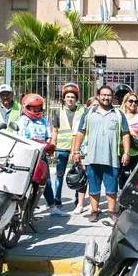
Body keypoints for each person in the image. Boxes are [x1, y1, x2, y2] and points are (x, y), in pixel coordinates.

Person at [71, 85, 131, 226]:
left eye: (109, 95)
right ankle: (94, 211)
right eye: (103, 95)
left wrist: (126, 152)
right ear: (98, 96)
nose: (106, 97)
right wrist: (76, 151)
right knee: (93, 186)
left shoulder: (118, 114)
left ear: (112, 97)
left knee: (112, 187)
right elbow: (80, 132)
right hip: (92, 157)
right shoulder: (89, 112)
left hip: (112, 158)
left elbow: (125, 134)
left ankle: (111, 212)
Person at [17, 94, 62, 217]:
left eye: (38, 108)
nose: (36, 110)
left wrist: (49, 146)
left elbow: (49, 137)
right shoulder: (23, 121)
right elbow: (21, 137)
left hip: (41, 156)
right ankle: (22, 207)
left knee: (46, 181)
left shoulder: (43, 121)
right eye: (33, 108)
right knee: (24, 181)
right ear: (26, 107)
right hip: (26, 156)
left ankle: (52, 206)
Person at [51, 83, 86, 214]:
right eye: (68, 97)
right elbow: (55, 131)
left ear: (76, 99)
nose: (70, 99)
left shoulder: (82, 111)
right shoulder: (57, 112)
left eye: (72, 97)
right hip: (61, 148)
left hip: (77, 149)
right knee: (59, 175)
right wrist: (52, 147)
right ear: (64, 98)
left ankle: (78, 201)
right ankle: (57, 200)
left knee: (78, 175)